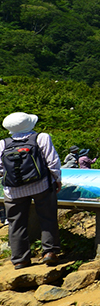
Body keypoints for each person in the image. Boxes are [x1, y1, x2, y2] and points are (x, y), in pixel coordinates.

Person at [1, 112, 62, 269]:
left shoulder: (3, 143)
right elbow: (52, 161)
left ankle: (20, 259)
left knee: (16, 224)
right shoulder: (41, 137)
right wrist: (57, 179)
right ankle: (50, 252)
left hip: (13, 191)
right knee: (47, 218)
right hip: (41, 185)